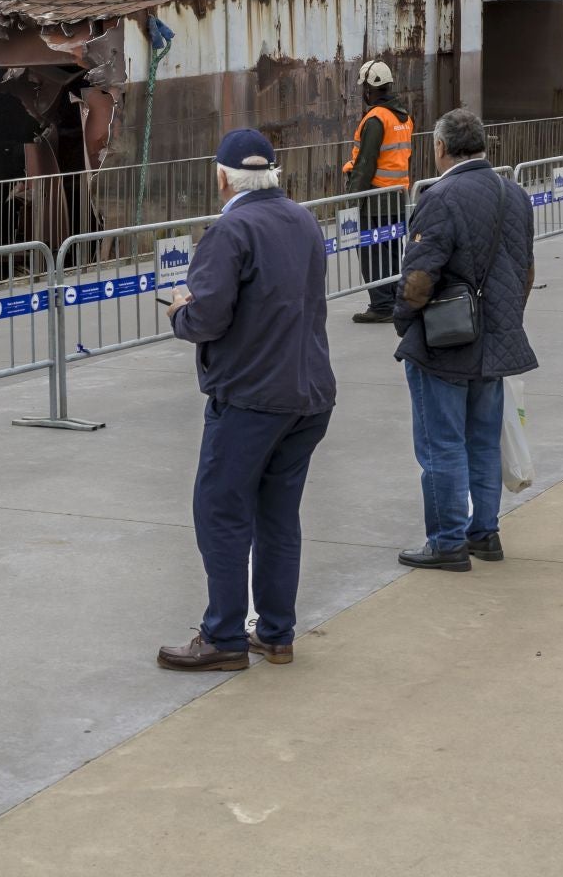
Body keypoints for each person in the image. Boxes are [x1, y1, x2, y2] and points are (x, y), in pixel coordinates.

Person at [159, 129, 336, 671]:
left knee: (221, 510)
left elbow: (209, 317)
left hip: (252, 395)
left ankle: (224, 636)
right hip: (307, 393)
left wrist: (179, 312)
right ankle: (276, 633)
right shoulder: (304, 220)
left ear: (221, 177)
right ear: (274, 174)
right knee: (278, 515)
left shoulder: (229, 231)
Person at [392, 108, 537, 571]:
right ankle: (485, 533)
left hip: (445, 339)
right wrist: (507, 318)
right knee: (482, 440)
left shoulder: (440, 197)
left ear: (439, 148)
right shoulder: (513, 193)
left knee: (441, 444)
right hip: (495, 338)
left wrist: (402, 320)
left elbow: (418, 276)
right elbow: (525, 270)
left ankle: (447, 541)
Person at [343, 59, 415, 324]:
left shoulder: (375, 119)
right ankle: (394, 298)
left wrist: (353, 198)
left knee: (372, 251)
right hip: (397, 195)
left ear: (370, 90)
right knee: (391, 248)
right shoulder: (403, 117)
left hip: (375, 198)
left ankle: (381, 304)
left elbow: (365, 163)